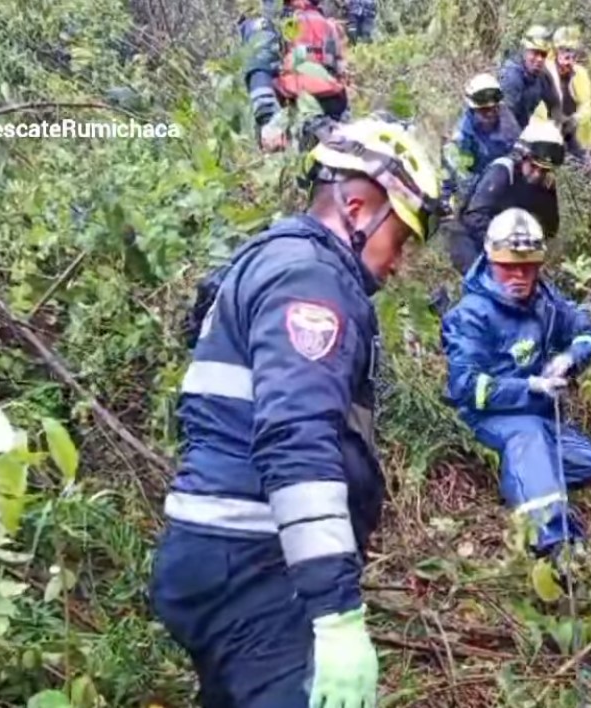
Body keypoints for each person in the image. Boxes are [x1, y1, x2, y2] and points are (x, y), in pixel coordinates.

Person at [152, 117, 441, 707]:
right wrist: (335, 612)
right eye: (402, 238)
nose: (400, 262)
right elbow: (297, 440)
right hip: (252, 566)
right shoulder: (312, 281)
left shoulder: (271, 260)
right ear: (358, 208)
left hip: (223, 557)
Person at [441, 208, 591, 559]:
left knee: (588, 463)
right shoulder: (470, 314)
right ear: (491, 259)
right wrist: (530, 387)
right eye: (508, 266)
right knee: (527, 435)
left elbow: (587, 331)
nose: (519, 275)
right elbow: (465, 387)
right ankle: (555, 542)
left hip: (540, 414)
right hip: (490, 416)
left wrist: (569, 358)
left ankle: (522, 474)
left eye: (527, 266)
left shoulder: (546, 300)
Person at [446, 120, 563, 275]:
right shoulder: (502, 171)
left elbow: (550, 229)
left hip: (512, 245)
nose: (537, 175)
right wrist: (506, 247)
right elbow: (474, 218)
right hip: (469, 238)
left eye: (544, 171)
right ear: (522, 157)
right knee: (485, 282)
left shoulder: (544, 184)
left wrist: (548, 196)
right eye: (533, 167)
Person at [239, 0, 350, 151]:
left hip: (317, 115)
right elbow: (261, 70)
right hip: (299, 114)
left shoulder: (324, 23)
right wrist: (269, 122)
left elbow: (339, 75)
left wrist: (268, 121)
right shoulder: (272, 20)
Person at [440, 73, 522, 212]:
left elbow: (518, 148)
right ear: (473, 110)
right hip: (478, 187)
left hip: (507, 179)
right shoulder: (462, 137)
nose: (490, 114)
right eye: (484, 110)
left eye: (493, 108)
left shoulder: (505, 117)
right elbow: (463, 180)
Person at [532, 25, 591, 163]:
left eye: (573, 52)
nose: (569, 57)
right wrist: (554, 125)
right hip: (549, 137)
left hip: (577, 138)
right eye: (564, 51)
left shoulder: (580, 74)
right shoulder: (544, 73)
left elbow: (587, 104)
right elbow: (539, 108)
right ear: (555, 51)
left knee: (589, 172)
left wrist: (575, 120)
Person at [499, 25, 562, 129]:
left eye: (543, 55)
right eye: (535, 53)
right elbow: (505, 119)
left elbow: (555, 106)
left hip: (523, 127)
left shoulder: (543, 75)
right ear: (525, 51)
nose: (539, 59)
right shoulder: (511, 77)